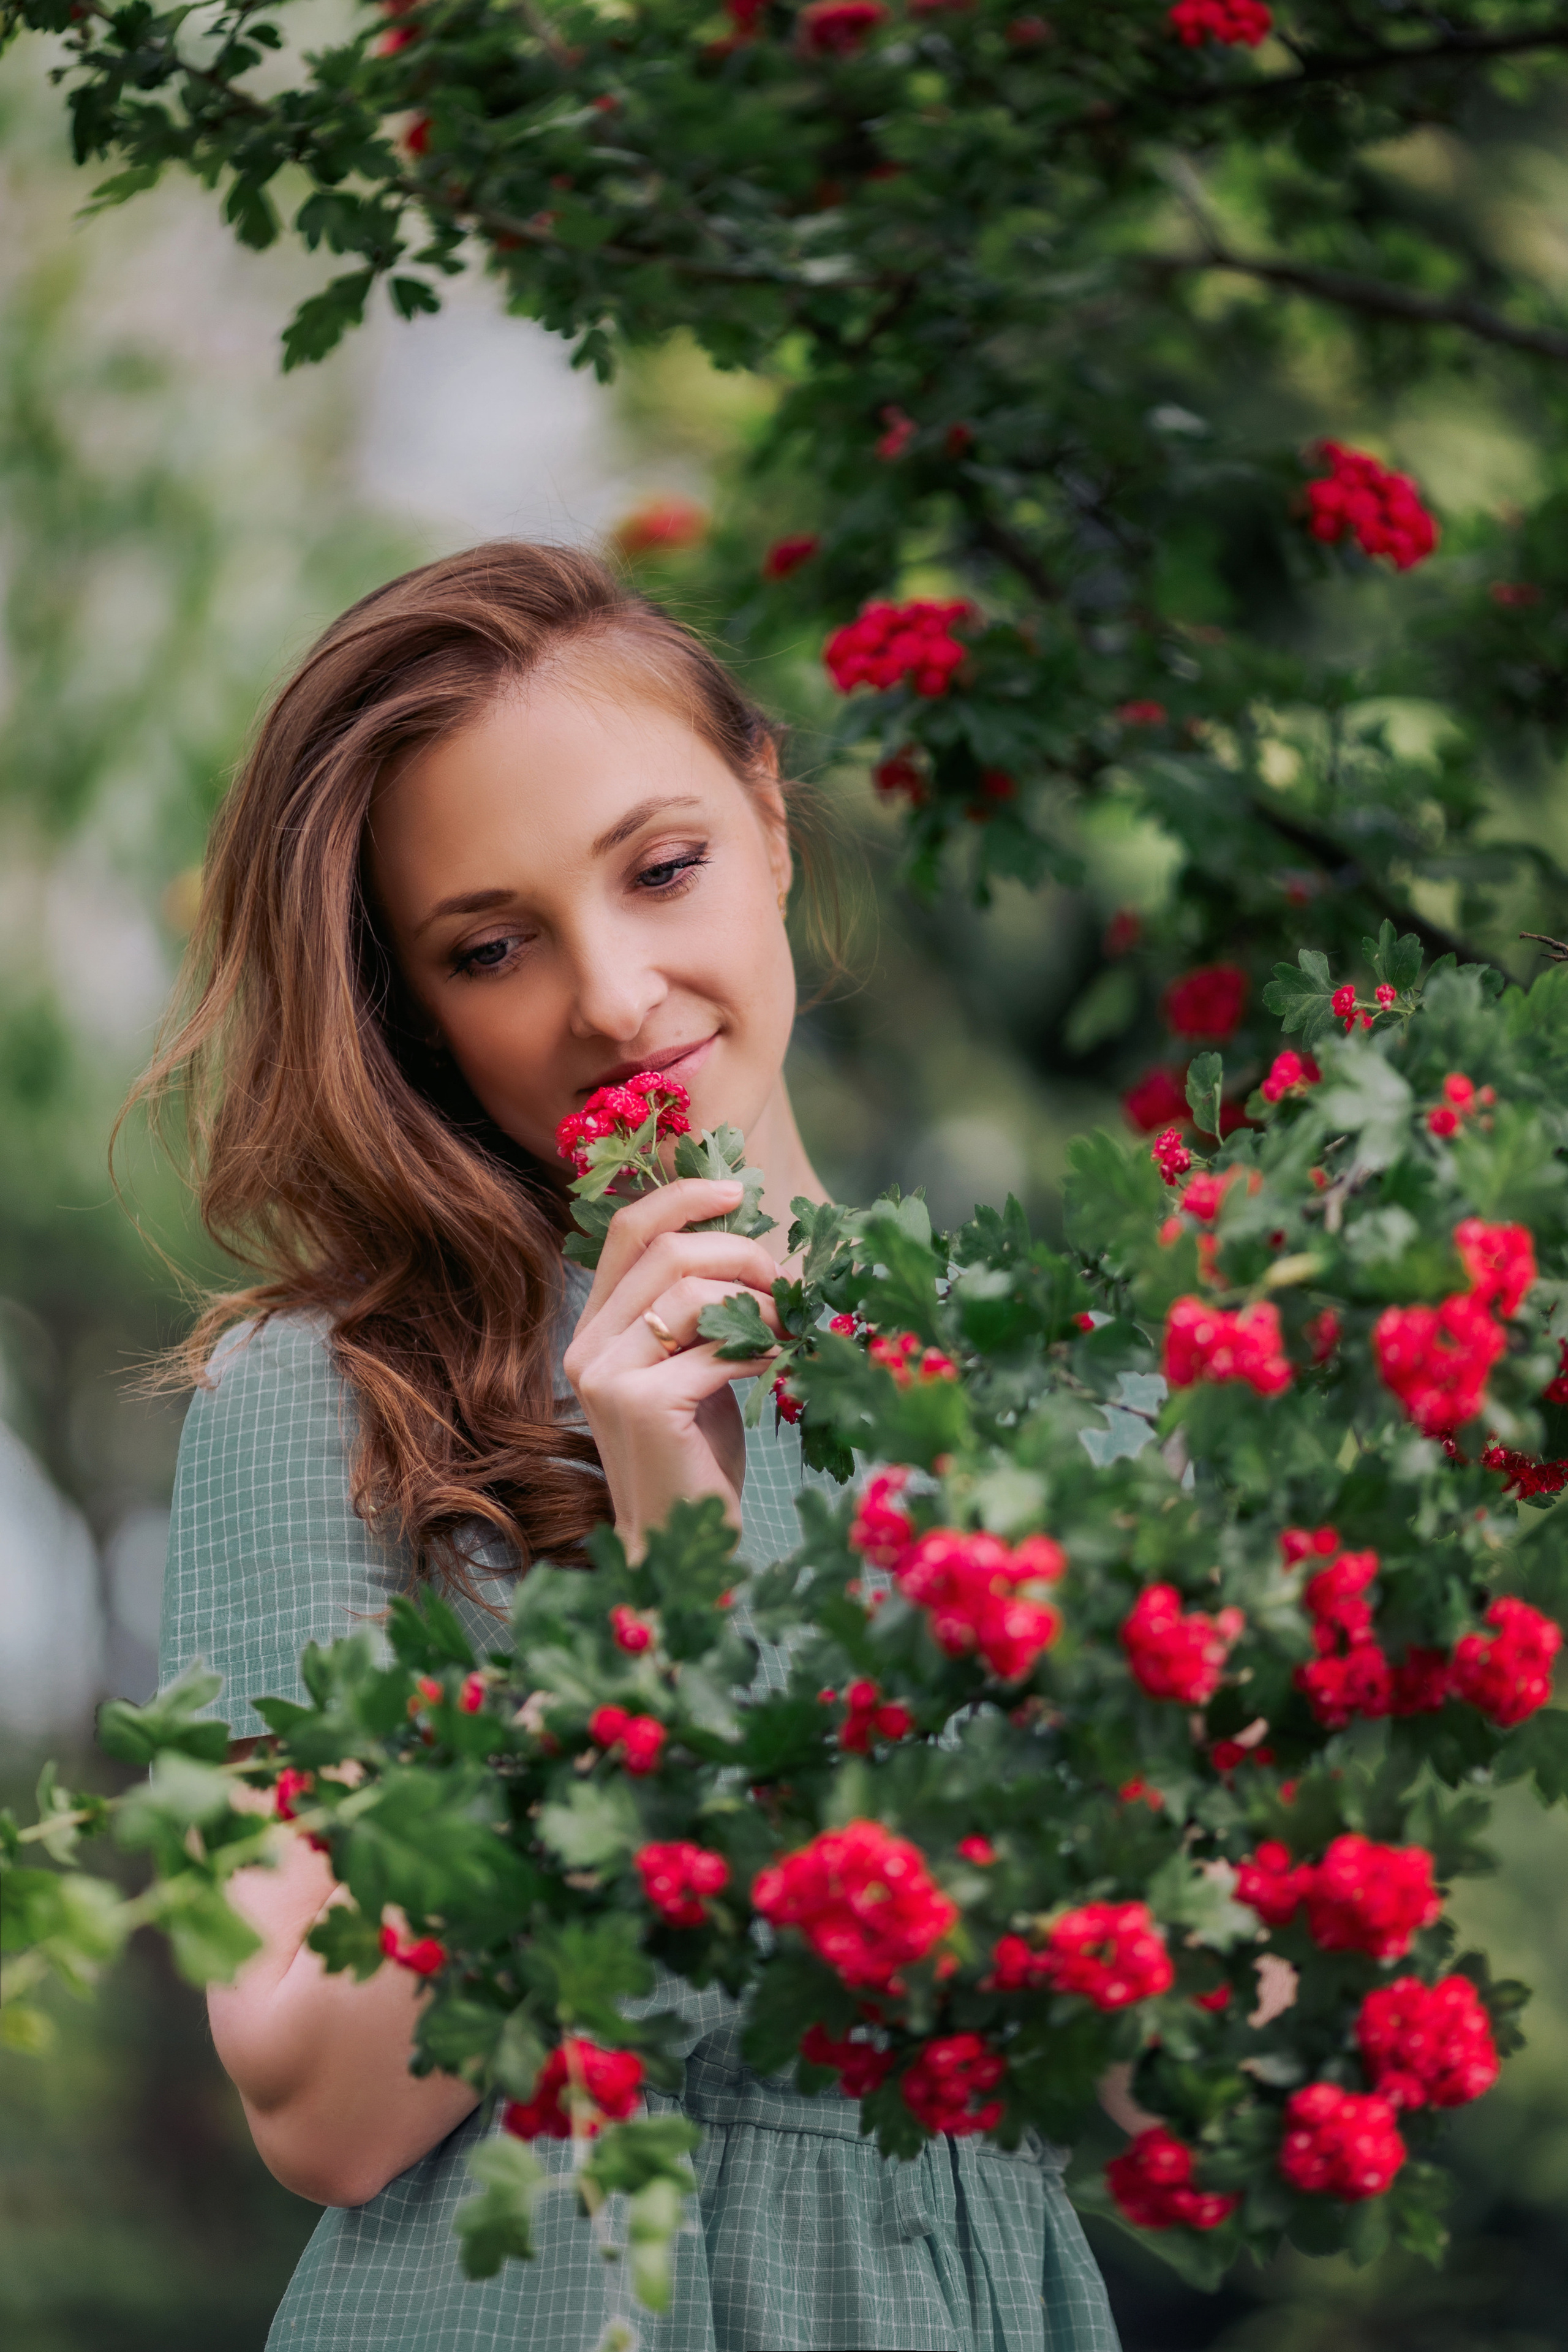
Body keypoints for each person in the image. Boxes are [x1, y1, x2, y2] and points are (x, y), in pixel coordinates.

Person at [145, 542, 1120, 2352]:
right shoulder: (326, 1395)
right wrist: (665, 1603)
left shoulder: (1060, 1403)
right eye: (490, 946)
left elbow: (1181, 2063)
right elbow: (327, 2117)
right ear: (414, 1005)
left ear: (770, 817)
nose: (609, 997)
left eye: (661, 870)